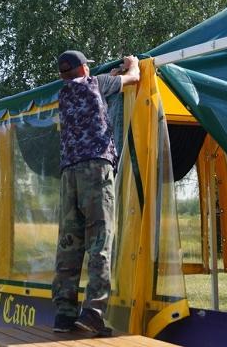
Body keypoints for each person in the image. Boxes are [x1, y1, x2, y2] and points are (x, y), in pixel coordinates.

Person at [52, 50, 140, 334]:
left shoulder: (63, 95)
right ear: (83, 69)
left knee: (70, 244)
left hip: (69, 173)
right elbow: (134, 77)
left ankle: (64, 315)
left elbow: (98, 93)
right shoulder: (95, 84)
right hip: (95, 169)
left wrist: (111, 79)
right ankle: (93, 312)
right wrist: (132, 64)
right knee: (100, 241)